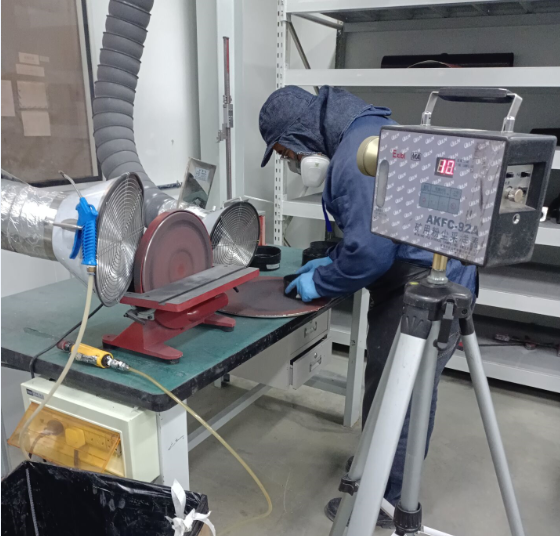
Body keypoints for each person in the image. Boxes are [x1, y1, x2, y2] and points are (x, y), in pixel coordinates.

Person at [258, 85, 477, 528]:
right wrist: (333, 258)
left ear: (301, 136)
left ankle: (385, 498)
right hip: (430, 272)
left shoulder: (354, 158)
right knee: (403, 389)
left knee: (400, 395)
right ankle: (382, 474)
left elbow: (371, 255)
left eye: (286, 154)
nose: (292, 164)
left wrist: (322, 280)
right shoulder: (366, 129)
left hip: (422, 284)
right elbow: (378, 230)